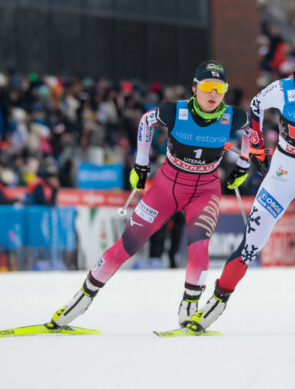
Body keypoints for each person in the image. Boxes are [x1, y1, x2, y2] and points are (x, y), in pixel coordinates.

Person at [49, 61, 251, 328]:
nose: (213, 94)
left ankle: (189, 310)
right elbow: (146, 121)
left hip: (205, 189)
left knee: (199, 245)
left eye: (219, 88)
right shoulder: (175, 111)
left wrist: (245, 163)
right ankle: (81, 300)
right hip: (167, 187)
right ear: (195, 88)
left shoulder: (232, 117)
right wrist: (141, 164)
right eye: (207, 87)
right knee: (127, 245)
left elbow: (252, 129)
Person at [187, 39, 295, 332]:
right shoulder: (282, 90)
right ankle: (215, 303)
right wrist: (258, 148)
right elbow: (255, 106)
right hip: (284, 172)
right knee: (252, 244)